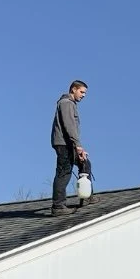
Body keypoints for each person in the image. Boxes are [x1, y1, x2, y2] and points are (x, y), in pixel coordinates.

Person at [50, 80, 95, 215]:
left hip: (69, 143)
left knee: (84, 163)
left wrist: (77, 146)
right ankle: (58, 206)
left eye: (85, 93)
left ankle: (86, 197)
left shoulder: (70, 104)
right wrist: (78, 146)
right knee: (64, 172)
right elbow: (69, 126)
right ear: (73, 89)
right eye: (81, 92)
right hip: (64, 144)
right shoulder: (66, 103)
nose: (83, 95)